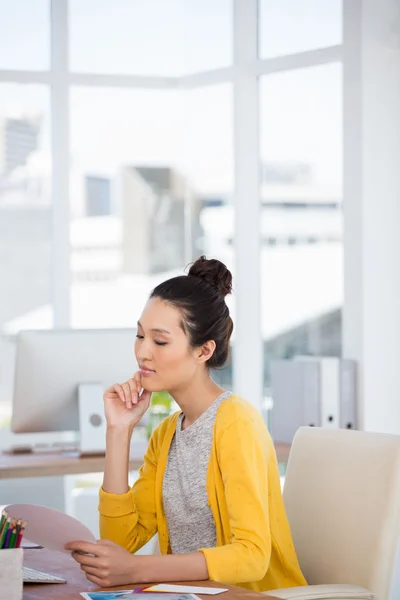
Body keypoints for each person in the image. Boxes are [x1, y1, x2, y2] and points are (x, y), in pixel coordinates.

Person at [66, 256, 306, 592]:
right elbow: (122, 543)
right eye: (139, 336)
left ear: (204, 350)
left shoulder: (236, 423)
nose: (142, 352)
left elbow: (252, 555)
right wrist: (118, 431)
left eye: (160, 341)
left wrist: (137, 570)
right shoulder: (166, 435)